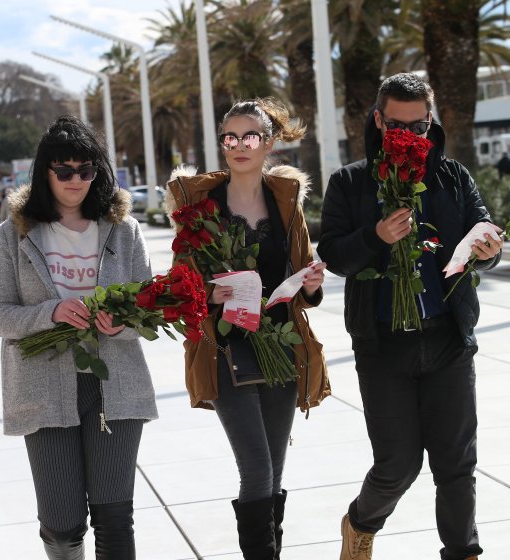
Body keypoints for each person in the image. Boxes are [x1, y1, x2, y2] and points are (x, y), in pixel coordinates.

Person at [317, 72, 503, 560]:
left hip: (447, 339)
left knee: (456, 464)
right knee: (398, 464)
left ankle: (463, 551)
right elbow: (334, 255)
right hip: (383, 346)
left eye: (418, 128)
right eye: (396, 126)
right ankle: (360, 523)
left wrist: (487, 248)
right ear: (378, 120)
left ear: (430, 121)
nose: (407, 137)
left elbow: (481, 236)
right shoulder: (351, 181)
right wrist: (376, 236)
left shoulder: (452, 176)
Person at [0, 115, 158, 560]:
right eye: (64, 170)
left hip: (115, 386)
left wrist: (124, 322)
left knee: (115, 519)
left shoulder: (124, 230)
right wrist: (51, 312)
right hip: (43, 390)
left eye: (86, 170)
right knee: (62, 527)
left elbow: (150, 306)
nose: (75, 180)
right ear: (46, 173)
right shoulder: (14, 235)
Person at [164, 98, 329, 559]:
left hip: (280, 347)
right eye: (229, 137)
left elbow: (302, 283)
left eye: (249, 137)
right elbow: (180, 286)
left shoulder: (286, 204)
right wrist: (207, 293)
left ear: (269, 143)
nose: (238, 146)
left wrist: (310, 283)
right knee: (256, 468)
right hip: (225, 352)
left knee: (274, 470)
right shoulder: (199, 206)